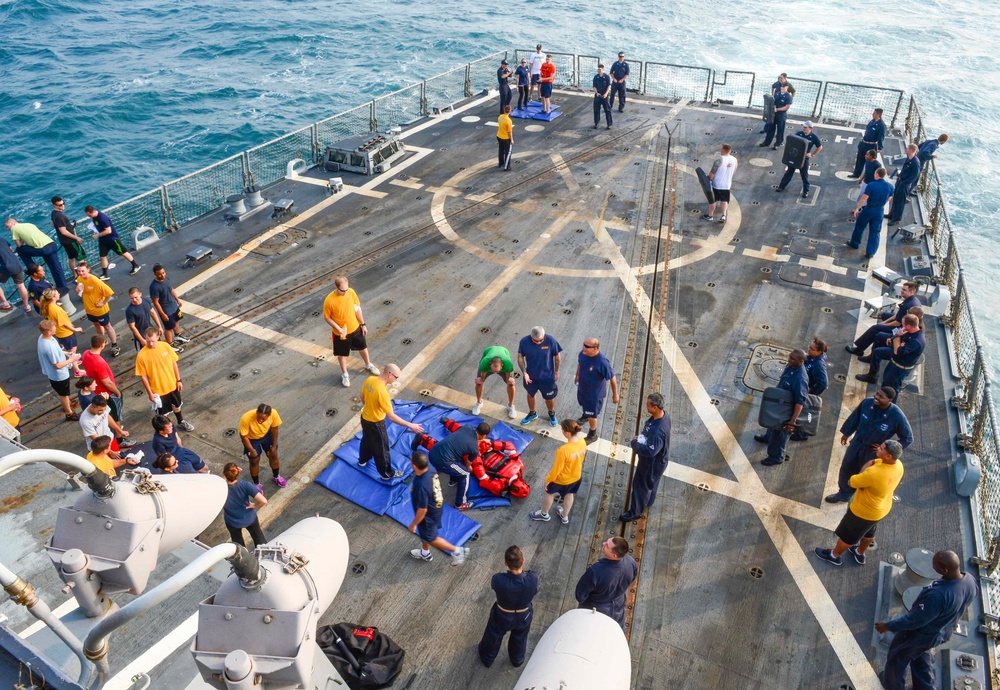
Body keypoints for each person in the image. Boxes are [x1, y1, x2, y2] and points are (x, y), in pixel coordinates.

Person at [876, 550, 977, 690]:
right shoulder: (970, 581)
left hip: (918, 635)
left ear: (944, 570)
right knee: (920, 658)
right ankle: (925, 687)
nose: (932, 565)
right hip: (941, 632)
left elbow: (914, 620)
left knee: (898, 659)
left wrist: (888, 626)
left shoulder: (937, 595)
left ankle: (892, 685)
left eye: (934, 564)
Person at [815, 440, 904, 566]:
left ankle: (834, 556)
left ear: (889, 456)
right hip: (880, 510)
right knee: (868, 532)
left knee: (848, 537)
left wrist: (868, 463)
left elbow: (852, 482)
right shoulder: (898, 465)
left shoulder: (874, 473)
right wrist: (874, 462)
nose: (878, 448)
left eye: (882, 448)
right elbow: (877, 462)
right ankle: (860, 552)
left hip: (863, 512)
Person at [826, 386, 912, 503]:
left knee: (866, 475)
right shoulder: (867, 403)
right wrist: (846, 433)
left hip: (873, 452)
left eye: (881, 397)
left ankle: (861, 497)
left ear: (890, 400)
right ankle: (844, 494)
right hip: (857, 444)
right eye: (877, 393)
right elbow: (854, 418)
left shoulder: (896, 416)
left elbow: (907, 438)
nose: (876, 397)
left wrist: (886, 449)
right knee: (847, 467)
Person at [360, 363, 424, 481]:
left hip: (364, 418)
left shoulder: (370, 380)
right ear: (390, 375)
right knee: (382, 449)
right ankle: (386, 474)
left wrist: (370, 408)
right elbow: (391, 417)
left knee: (366, 440)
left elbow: (362, 397)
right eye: (396, 377)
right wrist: (410, 425)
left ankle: (362, 460)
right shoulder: (383, 393)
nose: (396, 379)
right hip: (376, 423)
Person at [478, 545, 538, 668]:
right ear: (523, 560)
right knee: (520, 638)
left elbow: (495, 587)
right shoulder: (533, 578)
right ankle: (517, 660)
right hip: (524, 614)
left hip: (502, 614)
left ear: (506, 564)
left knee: (493, 636)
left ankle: (487, 658)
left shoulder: (498, 579)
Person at [406, 451, 469, 565]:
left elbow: (422, 510)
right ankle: (425, 553)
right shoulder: (429, 469)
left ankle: (457, 551)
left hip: (428, 515)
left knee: (431, 538)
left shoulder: (421, 486)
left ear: (414, 465)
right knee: (425, 534)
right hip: (436, 505)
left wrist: (413, 524)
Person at [619, 392, 671, 522]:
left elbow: (650, 451)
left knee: (640, 486)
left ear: (655, 407)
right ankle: (649, 500)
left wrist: (635, 443)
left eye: (648, 405)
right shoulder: (664, 417)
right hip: (659, 462)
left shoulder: (657, 431)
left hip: (651, 464)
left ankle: (635, 512)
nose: (646, 407)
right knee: (652, 483)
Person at [322, 275, 380, 387]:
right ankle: (345, 374)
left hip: (355, 327)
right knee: (342, 354)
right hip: (341, 333)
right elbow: (327, 317)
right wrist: (338, 329)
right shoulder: (329, 301)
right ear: (336, 287)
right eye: (342, 290)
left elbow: (357, 309)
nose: (345, 292)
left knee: (363, 347)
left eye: (346, 289)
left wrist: (363, 324)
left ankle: (368, 364)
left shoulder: (351, 292)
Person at [753, 349, 808, 466]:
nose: (789, 359)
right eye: (790, 357)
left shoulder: (800, 378)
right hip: (780, 403)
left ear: (801, 361)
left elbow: (799, 403)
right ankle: (768, 438)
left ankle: (776, 457)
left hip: (788, 410)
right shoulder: (791, 366)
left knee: (780, 435)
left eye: (793, 358)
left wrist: (792, 422)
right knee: (772, 422)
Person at [135, 327, 194, 430]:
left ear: (158, 337)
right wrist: (150, 393)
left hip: (172, 384)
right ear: (144, 338)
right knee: (163, 414)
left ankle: (181, 421)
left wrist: (178, 380)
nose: (151, 344)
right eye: (148, 341)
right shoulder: (141, 355)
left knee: (177, 405)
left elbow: (174, 363)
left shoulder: (165, 346)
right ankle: (169, 429)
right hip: (158, 390)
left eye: (153, 341)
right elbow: (143, 376)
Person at [530, 419, 588, 524]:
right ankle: (564, 516)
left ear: (566, 433)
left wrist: (548, 480)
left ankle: (544, 514)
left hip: (561, 479)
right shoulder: (582, 442)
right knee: (569, 495)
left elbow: (557, 469)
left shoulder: (563, 450)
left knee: (549, 493)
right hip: (576, 477)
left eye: (562, 430)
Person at [574, 536, 638, 630]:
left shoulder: (596, 571)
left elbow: (580, 595)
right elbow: (632, 578)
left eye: (607, 545)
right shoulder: (631, 563)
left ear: (614, 556)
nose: (603, 543)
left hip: (596, 608)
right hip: (618, 605)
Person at [426, 419, 490, 510]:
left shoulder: (467, 427)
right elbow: (467, 464)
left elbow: (465, 439)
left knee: (458, 460)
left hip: (432, 453)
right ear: (484, 435)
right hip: (443, 462)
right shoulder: (474, 449)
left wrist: (481, 441)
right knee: (465, 473)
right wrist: (472, 471)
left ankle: (453, 480)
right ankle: (460, 504)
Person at [846, 281, 920, 358]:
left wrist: (884, 324)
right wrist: (885, 321)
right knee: (885, 315)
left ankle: (859, 350)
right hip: (905, 322)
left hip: (902, 327)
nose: (902, 291)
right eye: (902, 289)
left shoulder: (907, 305)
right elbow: (897, 315)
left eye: (904, 290)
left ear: (911, 292)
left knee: (875, 328)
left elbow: (897, 323)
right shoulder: (911, 300)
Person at [856, 313, 924, 388]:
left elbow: (897, 352)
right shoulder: (911, 330)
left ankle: (872, 376)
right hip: (897, 351)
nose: (902, 327)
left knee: (878, 352)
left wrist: (897, 337)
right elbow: (899, 333)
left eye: (903, 325)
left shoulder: (916, 341)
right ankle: (871, 360)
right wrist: (893, 337)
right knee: (880, 337)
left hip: (900, 362)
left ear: (908, 326)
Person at [5, 217, 69, 293]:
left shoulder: (14, 228)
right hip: (51, 245)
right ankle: (63, 287)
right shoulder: (29, 224)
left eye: (7, 226)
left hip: (43, 250)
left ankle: (33, 269)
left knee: (20, 250)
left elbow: (19, 245)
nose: (7, 228)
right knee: (56, 268)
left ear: (12, 223)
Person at [575, 338, 619, 444]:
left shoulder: (602, 362)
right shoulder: (583, 353)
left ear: (595, 348)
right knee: (584, 406)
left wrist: (615, 394)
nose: (583, 348)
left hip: (593, 395)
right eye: (583, 345)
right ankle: (586, 415)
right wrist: (577, 375)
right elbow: (580, 363)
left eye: (587, 346)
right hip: (583, 389)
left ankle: (592, 434)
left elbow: (612, 378)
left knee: (592, 415)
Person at [518, 326, 562, 427]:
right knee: (530, 394)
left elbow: (557, 357)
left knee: (549, 398)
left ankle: (551, 413)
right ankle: (532, 413)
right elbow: (520, 358)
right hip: (531, 377)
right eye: (535, 341)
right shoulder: (524, 342)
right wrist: (524, 373)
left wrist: (556, 371)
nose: (538, 342)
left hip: (547, 377)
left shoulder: (551, 341)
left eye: (541, 340)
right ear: (531, 337)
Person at [74, 261, 120, 356]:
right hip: (89, 309)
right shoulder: (79, 279)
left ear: (88, 270)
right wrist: (78, 290)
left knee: (107, 326)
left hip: (100, 310)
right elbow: (80, 289)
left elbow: (109, 292)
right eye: (79, 271)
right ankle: (102, 340)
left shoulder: (96, 281)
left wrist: (103, 302)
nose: (81, 273)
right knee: (96, 324)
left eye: (83, 271)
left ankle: (115, 345)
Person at [37, 319, 80, 420]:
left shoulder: (43, 338)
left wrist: (65, 353)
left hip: (54, 374)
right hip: (59, 375)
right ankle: (69, 413)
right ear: (49, 332)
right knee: (64, 394)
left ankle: (68, 403)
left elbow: (57, 352)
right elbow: (58, 365)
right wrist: (72, 359)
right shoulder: (49, 347)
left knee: (64, 393)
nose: (56, 329)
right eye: (54, 328)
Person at [848, 166, 894, 258]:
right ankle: (870, 252)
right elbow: (889, 198)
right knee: (875, 231)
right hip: (879, 210)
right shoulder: (890, 186)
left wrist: (858, 209)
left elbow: (864, 198)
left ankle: (855, 243)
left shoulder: (871, 185)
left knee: (860, 226)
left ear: (877, 174)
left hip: (869, 209)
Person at [83, 205, 141, 277]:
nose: (88, 216)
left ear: (92, 212)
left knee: (123, 252)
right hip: (103, 240)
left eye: (89, 215)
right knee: (102, 256)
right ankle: (105, 274)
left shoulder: (102, 218)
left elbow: (108, 231)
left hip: (112, 239)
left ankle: (135, 265)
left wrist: (97, 235)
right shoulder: (94, 217)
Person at [239, 404, 286, 488]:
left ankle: (276, 476)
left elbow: (275, 429)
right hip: (251, 439)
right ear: (256, 412)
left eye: (263, 419)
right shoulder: (246, 418)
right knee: (254, 461)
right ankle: (256, 484)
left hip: (267, 435)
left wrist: (274, 446)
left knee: (273, 455)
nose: (260, 420)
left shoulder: (274, 413)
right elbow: (243, 436)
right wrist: (252, 450)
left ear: (269, 416)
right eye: (258, 417)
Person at [790, 337, 829, 442]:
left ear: (819, 352)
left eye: (812, 349)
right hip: (802, 386)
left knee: (804, 412)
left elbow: (823, 383)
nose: (809, 350)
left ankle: (801, 434)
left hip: (805, 390)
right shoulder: (812, 358)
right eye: (809, 347)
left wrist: (811, 393)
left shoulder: (818, 365)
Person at [222, 462, 268, 549]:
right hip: (249, 517)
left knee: (238, 543)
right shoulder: (245, 485)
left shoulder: (221, 488)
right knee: (259, 538)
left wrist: (225, 477)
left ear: (224, 474)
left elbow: (223, 481)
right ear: (237, 473)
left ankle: (243, 559)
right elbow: (263, 501)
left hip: (232, 521)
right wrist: (254, 505)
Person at [40, 289, 84, 376]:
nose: (59, 294)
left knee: (68, 350)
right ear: (53, 297)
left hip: (59, 333)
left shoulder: (49, 306)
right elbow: (64, 323)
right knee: (72, 351)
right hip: (66, 333)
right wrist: (75, 329)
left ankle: (73, 362)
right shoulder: (57, 310)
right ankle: (77, 370)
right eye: (57, 293)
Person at [776, 121, 823, 198]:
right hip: (796, 156)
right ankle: (781, 186)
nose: (803, 128)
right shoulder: (799, 134)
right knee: (789, 172)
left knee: (804, 175)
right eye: (803, 127)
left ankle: (806, 191)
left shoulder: (814, 137)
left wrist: (812, 154)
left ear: (810, 128)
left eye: (805, 127)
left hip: (804, 158)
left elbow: (820, 147)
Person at [149, 264, 190, 350]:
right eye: (159, 274)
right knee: (168, 328)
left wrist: (177, 299)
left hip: (173, 306)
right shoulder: (154, 287)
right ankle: (170, 345)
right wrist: (163, 314)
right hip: (166, 310)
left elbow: (171, 289)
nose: (162, 275)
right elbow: (156, 302)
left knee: (176, 321)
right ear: (155, 274)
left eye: (163, 273)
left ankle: (177, 336)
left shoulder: (166, 279)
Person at [473, 345, 517, 418]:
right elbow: (482, 375)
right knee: (479, 383)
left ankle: (511, 406)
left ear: (502, 365)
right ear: (490, 364)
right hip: (488, 352)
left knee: (511, 384)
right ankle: (479, 402)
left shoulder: (508, 364)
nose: (495, 373)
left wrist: (509, 379)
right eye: (493, 370)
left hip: (504, 351)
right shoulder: (484, 363)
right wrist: (481, 379)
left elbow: (508, 376)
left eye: (497, 371)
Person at [702, 144, 738, 223]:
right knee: (724, 200)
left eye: (721, 149)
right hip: (727, 184)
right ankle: (724, 215)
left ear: (723, 150)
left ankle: (710, 215)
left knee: (713, 201)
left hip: (717, 184)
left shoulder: (718, 161)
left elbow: (711, 175)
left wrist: (707, 178)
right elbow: (734, 171)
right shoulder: (735, 160)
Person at [888, 143, 921, 226]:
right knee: (895, 199)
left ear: (911, 150)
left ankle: (896, 219)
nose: (906, 149)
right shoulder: (908, 158)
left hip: (904, 184)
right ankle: (891, 214)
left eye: (907, 148)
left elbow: (914, 176)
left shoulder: (915, 162)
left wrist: (904, 183)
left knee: (900, 202)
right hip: (901, 181)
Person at [50, 196, 87, 271]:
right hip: (71, 241)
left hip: (64, 241)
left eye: (63, 203)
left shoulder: (53, 213)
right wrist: (76, 238)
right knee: (80, 258)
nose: (63, 205)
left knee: (71, 258)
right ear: (55, 205)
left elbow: (53, 224)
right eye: (60, 205)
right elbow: (63, 231)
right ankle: (84, 275)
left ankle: (76, 276)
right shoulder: (60, 217)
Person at [849, 109, 887, 178]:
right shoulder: (872, 121)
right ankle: (856, 174)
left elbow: (881, 137)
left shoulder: (881, 125)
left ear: (878, 115)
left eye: (874, 113)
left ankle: (868, 176)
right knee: (860, 159)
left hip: (871, 145)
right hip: (864, 143)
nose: (872, 114)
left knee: (869, 161)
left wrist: (880, 147)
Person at [125, 287, 165, 352]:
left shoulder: (146, 301)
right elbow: (132, 327)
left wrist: (159, 326)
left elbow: (152, 313)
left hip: (151, 332)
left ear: (140, 294)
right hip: (141, 335)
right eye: (132, 298)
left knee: (159, 350)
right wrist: (141, 340)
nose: (134, 300)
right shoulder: (129, 310)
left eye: (136, 297)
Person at [0, 238, 31, 313]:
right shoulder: (2, 239)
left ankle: (5, 303)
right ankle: (27, 306)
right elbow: (10, 248)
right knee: (21, 286)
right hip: (16, 264)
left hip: (5, 267)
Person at [759, 82, 792, 148]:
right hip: (774, 114)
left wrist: (778, 109)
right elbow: (773, 101)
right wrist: (773, 107)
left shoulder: (788, 96)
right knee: (770, 128)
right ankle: (766, 142)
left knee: (780, 130)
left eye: (784, 87)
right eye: (781, 86)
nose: (782, 88)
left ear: (787, 87)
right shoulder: (777, 93)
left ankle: (777, 144)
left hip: (781, 115)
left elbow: (787, 106)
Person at [592, 64, 613, 129]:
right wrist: (596, 93)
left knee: (607, 110)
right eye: (598, 69)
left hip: (604, 96)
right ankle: (596, 123)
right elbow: (594, 86)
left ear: (603, 69)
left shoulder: (606, 77)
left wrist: (606, 94)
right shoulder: (596, 77)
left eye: (600, 69)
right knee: (596, 110)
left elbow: (609, 86)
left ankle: (609, 124)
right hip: (598, 96)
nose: (599, 71)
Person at [497, 104, 514, 171]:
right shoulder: (508, 121)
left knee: (501, 150)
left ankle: (500, 163)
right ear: (510, 111)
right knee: (508, 152)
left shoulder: (500, 117)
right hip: (505, 138)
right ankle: (506, 166)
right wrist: (512, 140)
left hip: (499, 136)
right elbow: (509, 132)